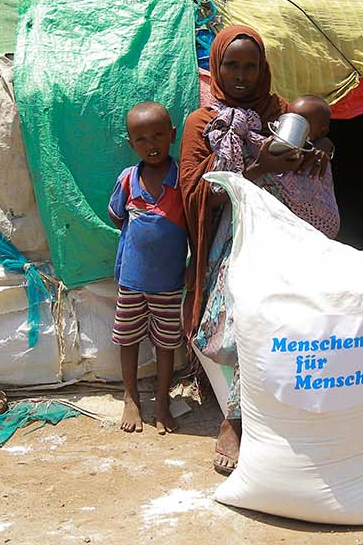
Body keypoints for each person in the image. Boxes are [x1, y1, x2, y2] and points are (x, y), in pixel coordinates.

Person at [178, 26, 332, 473]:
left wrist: (321, 146)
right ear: (216, 67)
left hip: (285, 230)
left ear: (263, 68)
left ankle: (279, 407)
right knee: (247, 310)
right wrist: (256, 167)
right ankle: (236, 420)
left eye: (251, 66)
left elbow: (314, 141)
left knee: (294, 310)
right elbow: (194, 190)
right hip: (231, 237)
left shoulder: (281, 112)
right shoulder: (202, 122)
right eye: (231, 65)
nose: (242, 75)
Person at [106, 102, 186, 435]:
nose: (151, 144)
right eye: (141, 139)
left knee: (166, 344)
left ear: (172, 135)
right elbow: (115, 215)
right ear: (131, 144)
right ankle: (130, 397)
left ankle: (163, 401)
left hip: (168, 282)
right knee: (128, 339)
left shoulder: (182, 179)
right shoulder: (128, 179)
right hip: (131, 280)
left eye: (158, 135)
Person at [284, 94, 341, 239]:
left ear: (322, 132)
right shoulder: (274, 148)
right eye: (290, 118)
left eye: (302, 122)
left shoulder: (319, 158)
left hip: (313, 233)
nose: (293, 125)